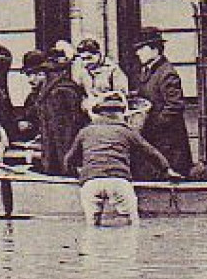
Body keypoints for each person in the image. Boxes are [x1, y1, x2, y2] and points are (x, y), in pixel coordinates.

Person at [65, 94, 173, 227]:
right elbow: (150, 152)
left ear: (99, 114)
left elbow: (69, 159)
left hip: (91, 182)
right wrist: (166, 169)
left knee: (91, 225)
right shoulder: (127, 131)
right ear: (120, 113)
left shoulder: (85, 132)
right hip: (118, 180)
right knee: (132, 223)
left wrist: (78, 173)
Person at [131, 27, 194, 178]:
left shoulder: (167, 73)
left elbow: (175, 106)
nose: (137, 53)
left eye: (141, 48)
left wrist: (152, 125)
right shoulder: (147, 70)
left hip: (168, 143)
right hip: (154, 140)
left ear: (155, 49)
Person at [27, 51, 88, 177]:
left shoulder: (58, 93)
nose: (30, 80)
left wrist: (62, 165)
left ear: (43, 74)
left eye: (33, 75)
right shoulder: (49, 91)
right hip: (59, 159)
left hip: (63, 163)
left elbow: (64, 134)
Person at [71, 37, 130, 104]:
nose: (86, 63)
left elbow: (121, 95)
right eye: (83, 59)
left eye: (89, 58)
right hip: (88, 109)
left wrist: (102, 98)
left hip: (111, 109)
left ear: (98, 54)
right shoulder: (80, 69)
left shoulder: (113, 69)